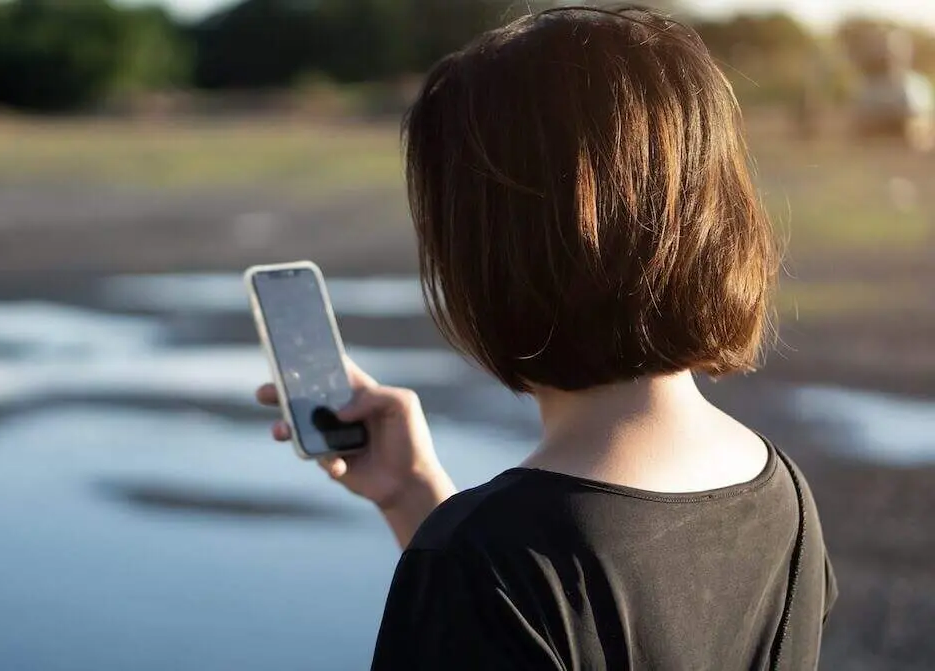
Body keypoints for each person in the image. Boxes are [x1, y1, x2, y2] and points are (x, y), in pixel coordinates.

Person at [255, 7, 836, 669]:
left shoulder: (479, 562)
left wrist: (452, 543)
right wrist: (412, 492)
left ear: (484, 258)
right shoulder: (781, 490)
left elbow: (527, 593)